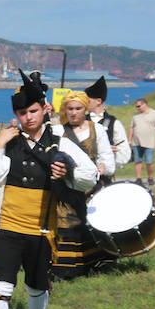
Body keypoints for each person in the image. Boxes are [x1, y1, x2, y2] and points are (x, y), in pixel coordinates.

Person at [0, 71, 97, 309]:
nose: (28, 117)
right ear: (15, 114)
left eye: (32, 111)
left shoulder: (61, 142)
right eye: (21, 112)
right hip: (9, 225)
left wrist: (67, 171)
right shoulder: (11, 142)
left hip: (42, 229)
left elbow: (90, 176)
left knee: (37, 284)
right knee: (0, 286)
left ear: (44, 109)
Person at [50, 90, 116, 279]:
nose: (73, 112)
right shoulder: (57, 131)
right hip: (65, 191)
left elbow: (107, 158)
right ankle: (65, 270)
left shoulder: (98, 130)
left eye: (78, 108)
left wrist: (103, 167)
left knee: (91, 225)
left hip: (90, 189)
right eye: (70, 108)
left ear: (85, 109)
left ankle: (96, 265)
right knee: (66, 224)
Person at [85, 76, 130, 184]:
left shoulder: (114, 123)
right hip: (84, 175)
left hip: (105, 177)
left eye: (88, 100)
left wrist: (112, 153)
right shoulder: (81, 121)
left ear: (98, 101)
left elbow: (125, 153)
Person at [130, 97, 155, 188]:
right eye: (136, 107)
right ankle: (139, 178)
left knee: (149, 161)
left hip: (149, 142)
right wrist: (129, 139)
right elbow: (132, 127)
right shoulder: (135, 116)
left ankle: (150, 177)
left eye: (139, 106)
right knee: (138, 160)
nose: (137, 108)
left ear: (145, 104)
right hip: (136, 142)